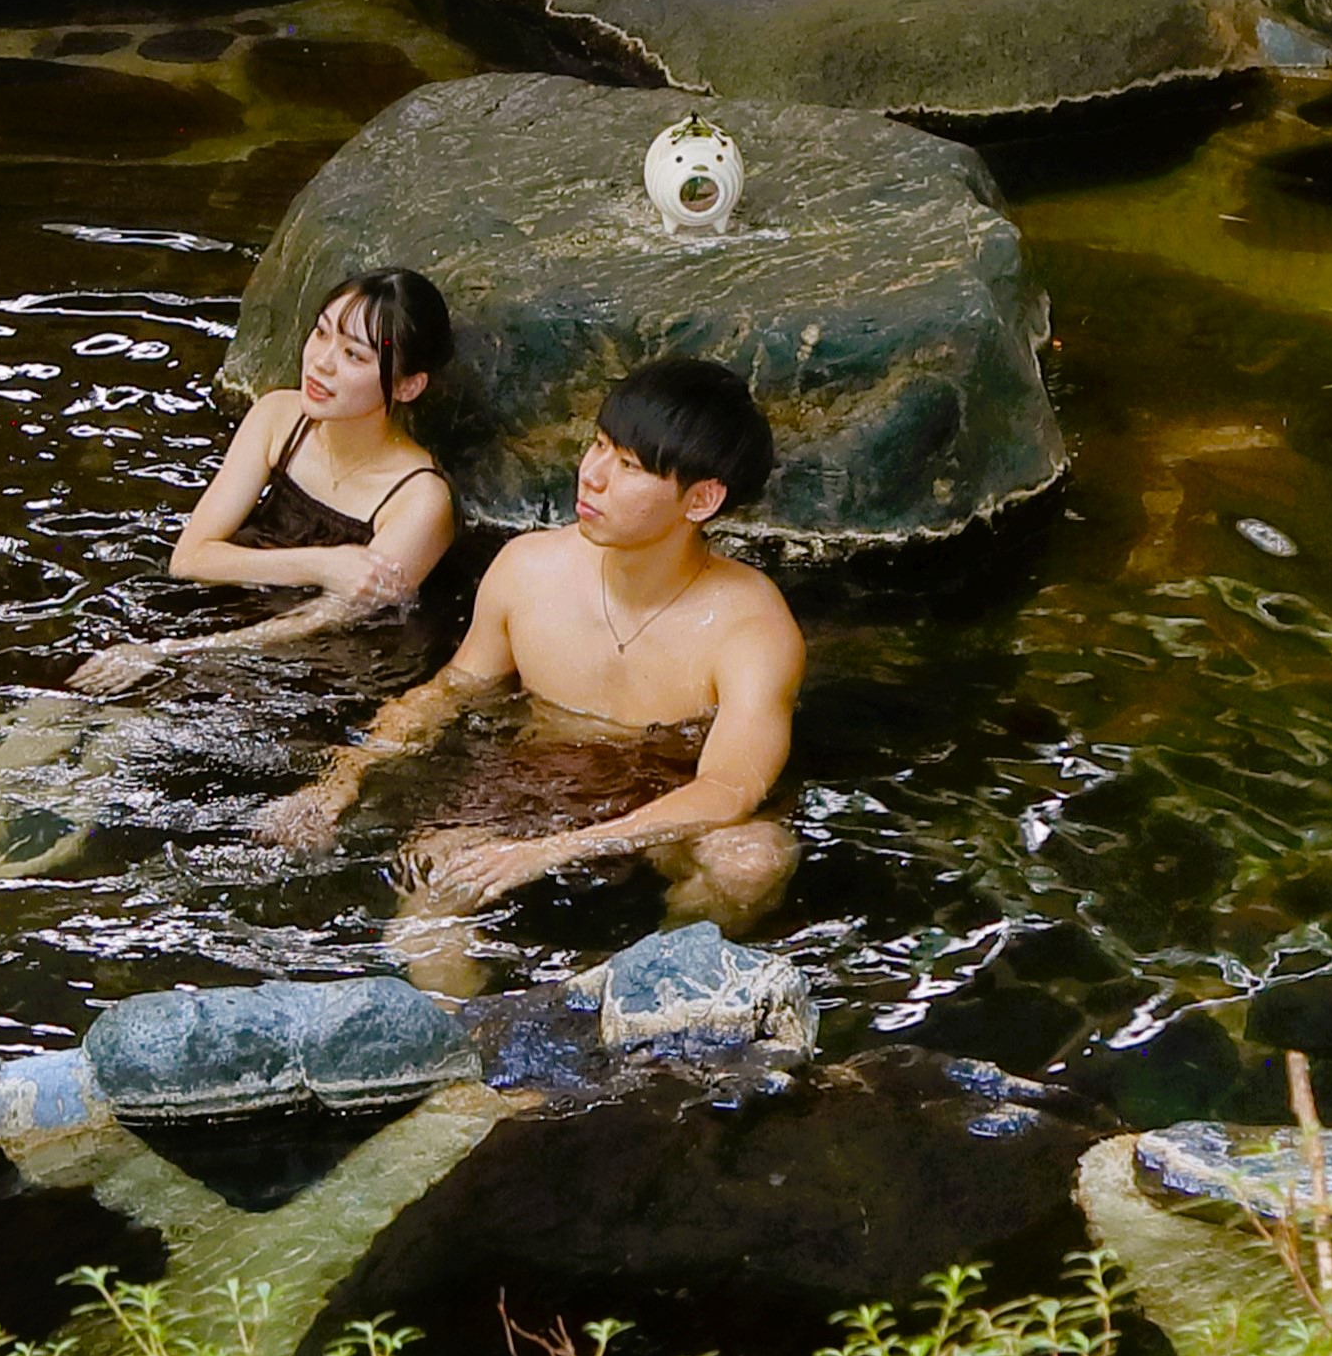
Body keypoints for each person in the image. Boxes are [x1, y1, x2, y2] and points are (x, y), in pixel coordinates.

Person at [250, 353, 802, 943]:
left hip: (670, 804)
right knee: (434, 884)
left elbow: (728, 789)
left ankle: (647, 984)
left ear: (700, 501)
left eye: (628, 466)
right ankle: (454, 1026)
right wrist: (344, 775)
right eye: (597, 445)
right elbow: (450, 692)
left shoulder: (752, 627)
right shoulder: (529, 570)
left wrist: (550, 852)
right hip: (536, 784)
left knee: (750, 861)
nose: (591, 475)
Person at [69, 267, 462, 696]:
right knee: (58, 699)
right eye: (322, 332)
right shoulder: (280, 417)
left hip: (297, 666)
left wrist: (175, 653)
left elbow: (321, 622)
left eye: (355, 355)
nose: (321, 362)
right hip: (218, 613)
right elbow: (189, 559)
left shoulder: (420, 500)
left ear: (407, 386)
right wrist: (323, 564)